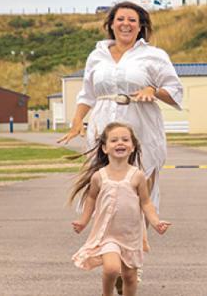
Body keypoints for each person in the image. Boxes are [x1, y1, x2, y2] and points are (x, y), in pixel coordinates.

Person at [58, 1, 183, 212]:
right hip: (104, 126)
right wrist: (77, 121)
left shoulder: (154, 55)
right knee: (104, 186)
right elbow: (87, 94)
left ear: (141, 26)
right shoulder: (97, 55)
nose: (126, 24)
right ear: (112, 24)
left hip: (141, 126)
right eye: (121, 19)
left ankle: (137, 240)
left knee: (140, 188)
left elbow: (175, 90)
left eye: (132, 20)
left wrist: (152, 90)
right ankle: (107, 239)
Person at [70, 121, 170, 296]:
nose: (120, 143)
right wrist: (83, 222)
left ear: (132, 147)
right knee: (111, 269)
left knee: (130, 278)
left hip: (131, 236)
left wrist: (156, 222)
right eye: (114, 140)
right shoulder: (98, 177)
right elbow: (91, 199)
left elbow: (146, 203)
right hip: (108, 234)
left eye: (125, 139)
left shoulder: (138, 176)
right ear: (104, 148)